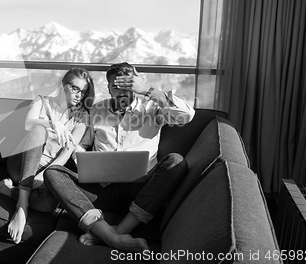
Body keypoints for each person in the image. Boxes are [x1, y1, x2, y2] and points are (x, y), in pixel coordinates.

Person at [43, 62, 195, 253]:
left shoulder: (152, 108)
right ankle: (111, 236)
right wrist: (86, 164)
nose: (122, 91)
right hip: (100, 191)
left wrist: (148, 90)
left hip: (141, 192)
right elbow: (81, 144)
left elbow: (186, 115)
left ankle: (117, 232)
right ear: (108, 88)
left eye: (127, 86)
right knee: (53, 173)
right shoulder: (96, 110)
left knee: (176, 162)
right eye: (116, 86)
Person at [0, 68, 95, 244]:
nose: (80, 95)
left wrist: (45, 174)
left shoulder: (82, 116)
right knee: (39, 130)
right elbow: (28, 124)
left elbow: (68, 150)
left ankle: (6, 190)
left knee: (48, 204)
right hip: (20, 164)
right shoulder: (42, 101)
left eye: (83, 91)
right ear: (63, 85)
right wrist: (51, 123)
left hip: (47, 169)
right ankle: (22, 206)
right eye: (75, 88)